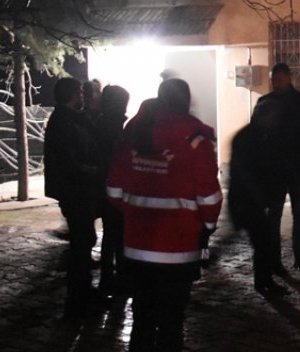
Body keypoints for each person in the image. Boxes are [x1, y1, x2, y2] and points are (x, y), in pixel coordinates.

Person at [107, 79, 220, 352]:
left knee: (143, 320)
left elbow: (113, 191)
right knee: (171, 323)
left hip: (137, 248)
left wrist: (137, 213)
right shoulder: (195, 137)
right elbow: (209, 196)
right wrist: (206, 225)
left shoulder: (133, 132)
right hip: (178, 248)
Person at [43, 77, 102, 318]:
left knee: (83, 239)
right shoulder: (63, 122)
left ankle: (81, 293)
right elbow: (69, 160)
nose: (83, 95)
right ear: (71, 95)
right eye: (79, 92)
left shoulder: (69, 119)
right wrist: (94, 171)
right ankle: (78, 298)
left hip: (77, 189)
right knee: (81, 241)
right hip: (75, 189)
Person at [256, 63, 300, 275]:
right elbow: (255, 135)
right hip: (275, 170)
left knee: (299, 215)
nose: (277, 83)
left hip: (297, 167)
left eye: (280, 79)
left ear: (288, 78)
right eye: (274, 80)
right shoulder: (265, 102)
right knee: (274, 217)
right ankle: (276, 262)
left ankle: (299, 258)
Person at [230, 97, 291, 297]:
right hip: (248, 201)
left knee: (263, 242)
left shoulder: (260, 135)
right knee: (263, 241)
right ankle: (264, 282)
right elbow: (246, 174)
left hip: (254, 200)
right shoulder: (250, 138)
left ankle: (264, 280)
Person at [91, 84, 130, 296]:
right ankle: (118, 278)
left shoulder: (101, 122)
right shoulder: (113, 125)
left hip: (106, 185)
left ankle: (110, 276)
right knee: (118, 234)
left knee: (111, 235)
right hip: (113, 186)